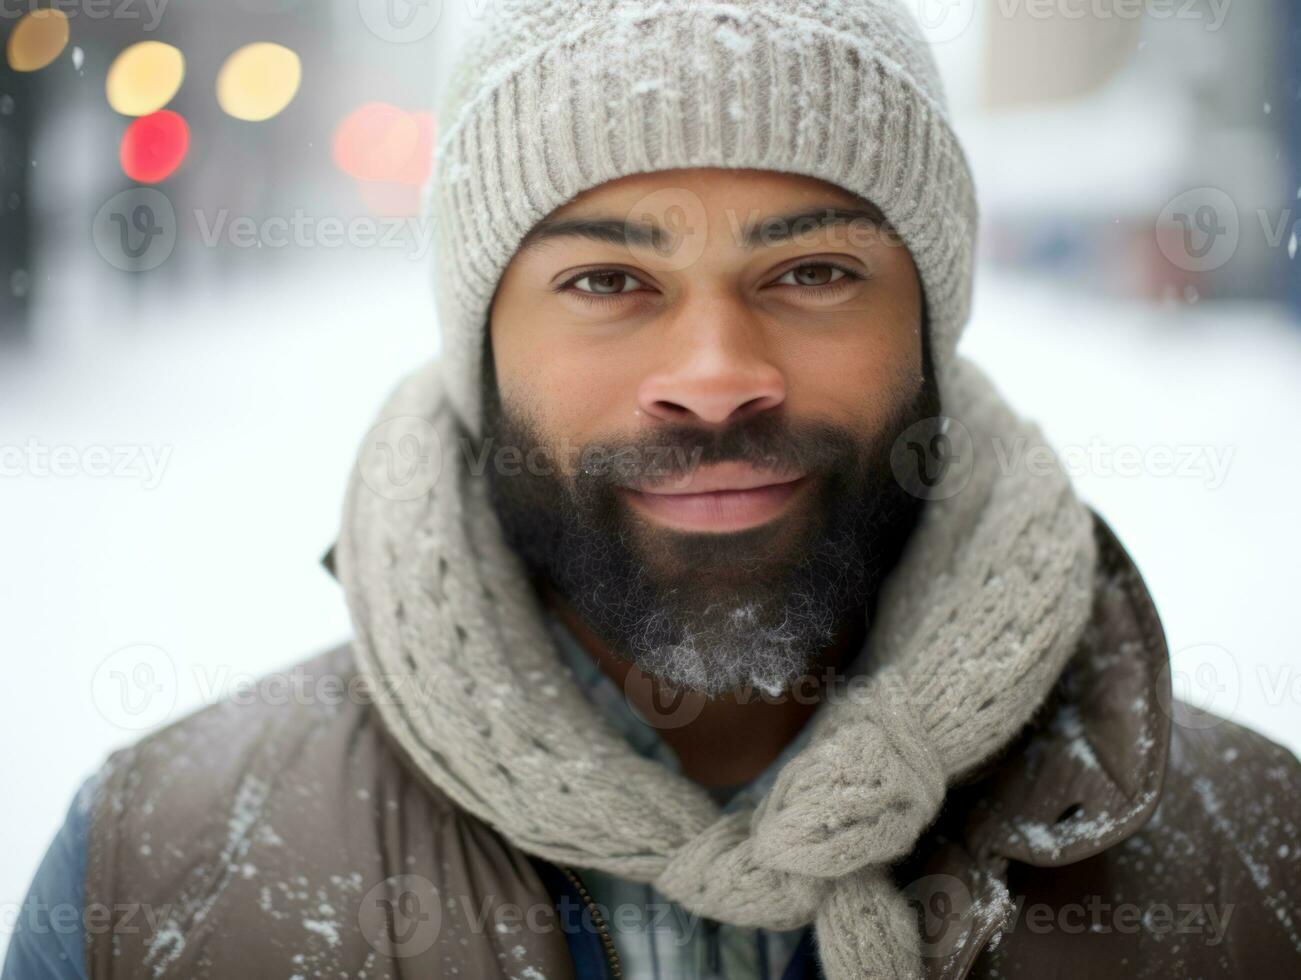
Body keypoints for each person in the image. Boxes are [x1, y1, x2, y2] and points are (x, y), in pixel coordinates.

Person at [6, 1, 1297, 978]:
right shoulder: (153, 877)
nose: (717, 377)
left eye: (812, 274)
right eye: (606, 282)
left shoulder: (1252, 867)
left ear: (928, 328)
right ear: (483, 352)